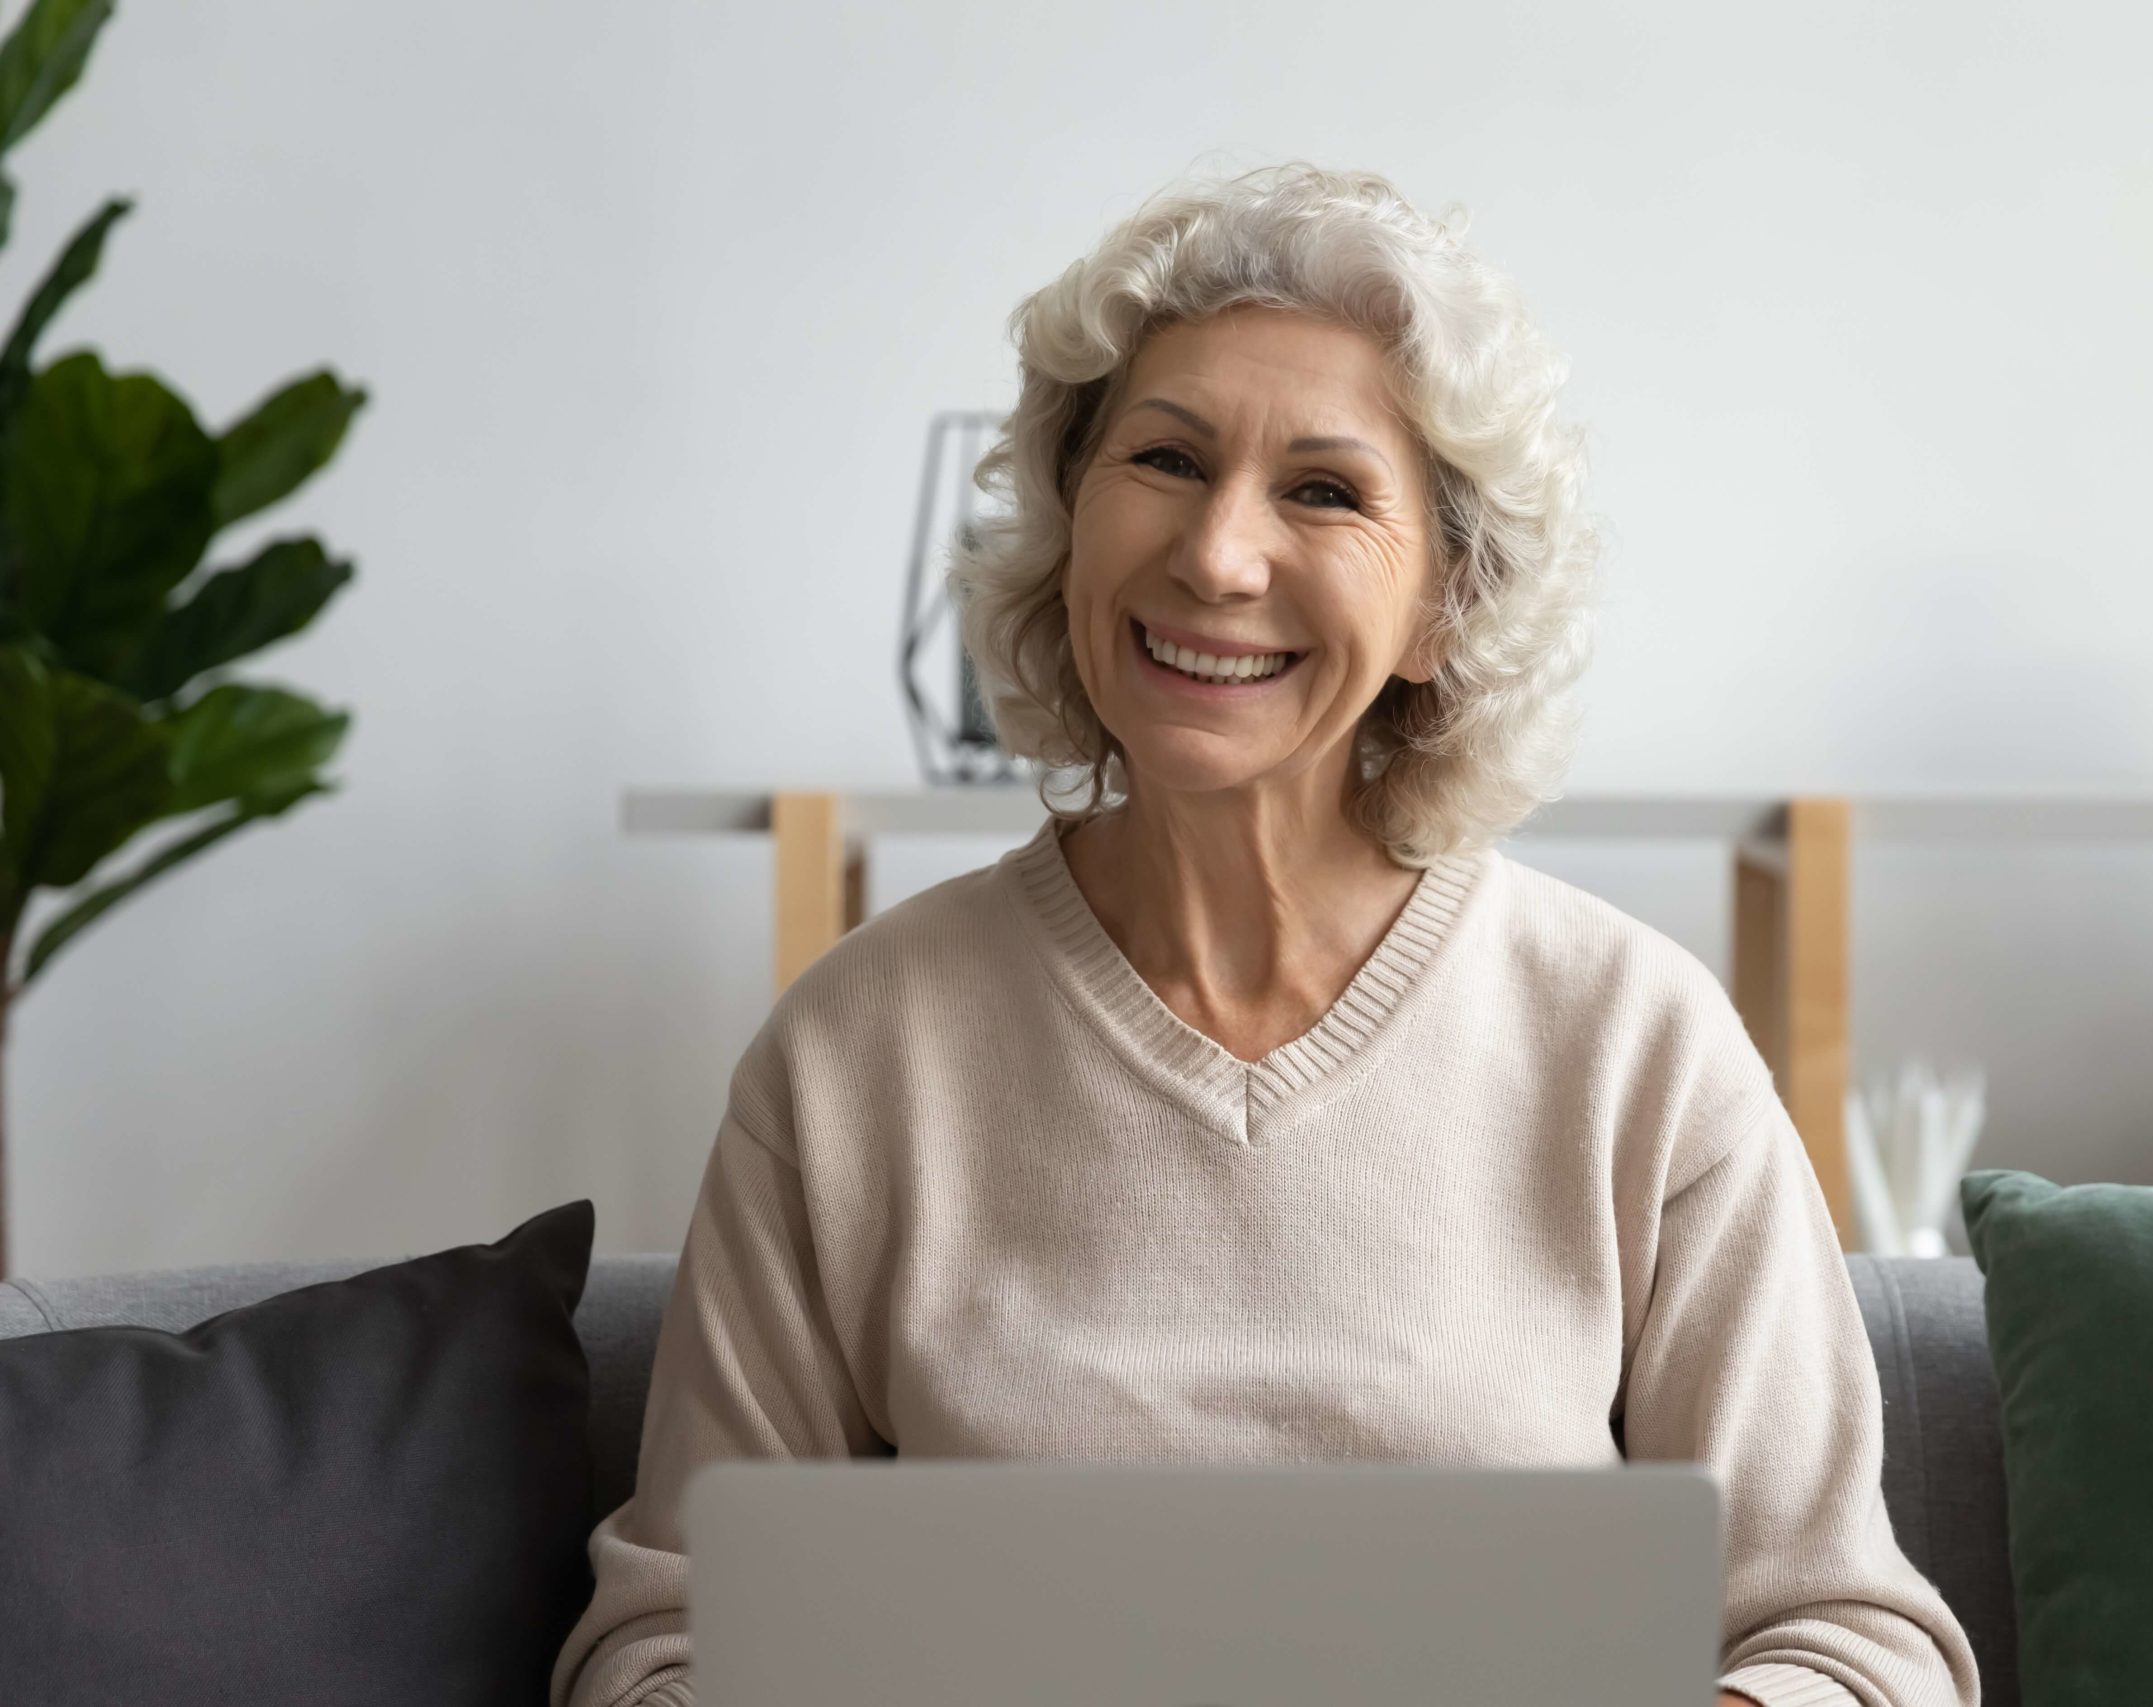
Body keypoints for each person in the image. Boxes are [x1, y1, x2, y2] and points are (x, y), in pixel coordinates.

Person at [551, 159, 1980, 1707]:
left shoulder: (1634, 1043)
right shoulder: (853, 1054)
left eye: (1324, 489)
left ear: (1445, 606)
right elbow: (665, 1640)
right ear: (1067, 529)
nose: (1219, 556)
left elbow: (1854, 1643)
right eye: (1165, 459)